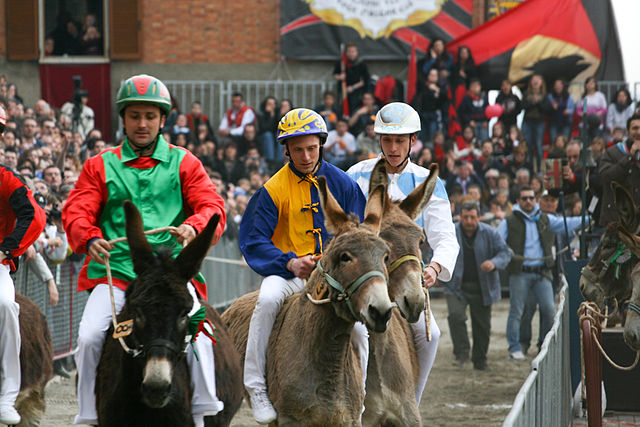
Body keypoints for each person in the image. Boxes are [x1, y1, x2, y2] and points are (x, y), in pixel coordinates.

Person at [62, 75, 227, 426]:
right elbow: (76, 211)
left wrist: (193, 226)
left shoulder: (185, 162)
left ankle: (203, 408)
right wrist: (90, 238)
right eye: (134, 116)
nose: (142, 124)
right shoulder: (99, 165)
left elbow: (212, 205)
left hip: (171, 279)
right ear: (123, 119)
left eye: (150, 116)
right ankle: (90, 415)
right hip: (120, 272)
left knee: (202, 336)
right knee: (90, 336)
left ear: (162, 120)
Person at [239, 108, 368, 424]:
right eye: (298, 149)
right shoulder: (272, 189)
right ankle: (256, 388)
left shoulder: (344, 184)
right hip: (290, 275)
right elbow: (254, 239)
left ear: (321, 144)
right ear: (286, 149)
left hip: (334, 279)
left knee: (363, 332)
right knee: (267, 301)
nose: (306, 155)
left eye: (312, 148)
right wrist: (290, 262)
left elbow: (360, 232)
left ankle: (360, 396)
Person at [347, 102, 459, 405]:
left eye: (400, 140)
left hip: (405, 281)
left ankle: (412, 400)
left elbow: (446, 238)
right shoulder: (355, 175)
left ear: (413, 141)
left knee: (430, 335)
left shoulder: (430, 182)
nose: (393, 147)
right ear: (378, 140)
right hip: (363, 281)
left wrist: (434, 268)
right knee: (356, 335)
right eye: (387, 140)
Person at [0, 104, 47, 425]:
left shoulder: (5, 178)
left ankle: (5, 395)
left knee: (5, 304)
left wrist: (6, 250)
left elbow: (35, 215)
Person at [497, 186, 582, 360]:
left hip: (543, 272)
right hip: (520, 272)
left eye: (530, 198)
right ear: (518, 201)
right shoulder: (509, 220)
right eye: (524, 198)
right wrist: (507, 254)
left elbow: (569, 224)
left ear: (535, 200)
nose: (528, 201)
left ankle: (545, 345)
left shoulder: (545, 219)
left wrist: (590, 219)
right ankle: (514, 347)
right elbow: (497, 241)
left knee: (549, 309)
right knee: (517, 311)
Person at [443, 201, 511, 370]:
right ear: (460, 216)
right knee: (456, 317)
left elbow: (506, 252)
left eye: (472, 217)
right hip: (456, 285)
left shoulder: (489, 232)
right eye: (465, 217)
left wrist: (494, 262)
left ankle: (480, 359)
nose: (468, 221)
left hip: (483, 285)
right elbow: (439, 249)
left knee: (482, 325)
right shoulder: (451, 231)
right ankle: (462, 353)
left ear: (479, 217)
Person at [598, 113, 640, 227]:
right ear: (627, 131)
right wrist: (630, 156)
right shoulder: (613, 152)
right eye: (635, 128)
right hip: (617, 222)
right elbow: (606, 177)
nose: (638, 132)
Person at [333, 43, 370, 115]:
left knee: (354, 108)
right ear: (346, 53)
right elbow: (335, 74)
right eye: (349, 51)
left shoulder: (361, 63)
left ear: (357, 52)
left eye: (353, 51)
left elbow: (365, 79)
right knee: (342, 108)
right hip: (343, 90)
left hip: (357, 91)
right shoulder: (342, 62)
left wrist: (353, 87)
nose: (351, 54)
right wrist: (340, 77)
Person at [521, 74, 548, 172]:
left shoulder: (544, 96)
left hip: (539, 123)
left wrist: (538, 102)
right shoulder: (526, 94)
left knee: (538, 145)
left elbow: (546, 109)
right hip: (527, 122)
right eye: (533, 80)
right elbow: (522, 106)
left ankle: (540, 169)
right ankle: (530, 169)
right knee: (527, 145)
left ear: (541, 83)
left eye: (538, 80)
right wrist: (532, 102)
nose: (535, 82)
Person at [547, 79, 574, 143]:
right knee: (553, 141)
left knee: (565, 141)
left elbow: (572, 109)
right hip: (554, 121)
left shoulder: (569, 96)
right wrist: (552, 107)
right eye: (556, 85)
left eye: (559, 85)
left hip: (565, 121)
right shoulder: (550, 96)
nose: (558, 87)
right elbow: (547, 109)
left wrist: (568, 111)